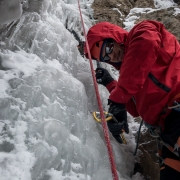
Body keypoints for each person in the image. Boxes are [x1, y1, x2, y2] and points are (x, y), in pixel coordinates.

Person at [84, 20, 180, 180]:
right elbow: (134, 109)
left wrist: (117, 98)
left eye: (109, 47)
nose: (111, 56)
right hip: (169, 129)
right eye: (105, 57)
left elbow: (147, 43)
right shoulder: (128, 76)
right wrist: (111, 84)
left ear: (114, 37)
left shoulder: (142, 31)